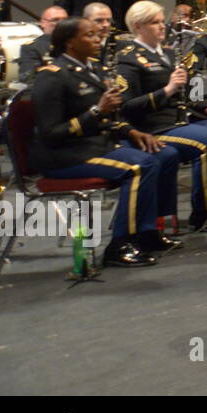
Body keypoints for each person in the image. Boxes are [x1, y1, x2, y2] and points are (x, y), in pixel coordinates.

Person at [29, 17, 170, 265]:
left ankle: (146, 233)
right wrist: (96, 111)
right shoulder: (52, 76)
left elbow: (108, 119)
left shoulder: (91, 69)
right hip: (64, 156)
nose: (98, 39)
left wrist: (131, 132)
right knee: (140, 166)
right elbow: (51, 132)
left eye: (98, 34)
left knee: (159, 156)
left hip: (94, 146)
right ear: (70, 42)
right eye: (90, 35)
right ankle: (119, 245)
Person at [116, 1, 207, 230]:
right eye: (155, 22)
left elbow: (190, 90)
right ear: (137, 26)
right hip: (154, 127)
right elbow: (127, 107)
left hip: (183, 119)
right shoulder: (128, 58)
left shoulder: (169, 53)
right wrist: (167, 90)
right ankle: (206, 211)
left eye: (162, 21)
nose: (162, 26)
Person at [17, 4, 67, 83]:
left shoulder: (76, 44)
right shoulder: (32, 48)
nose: (61, 23)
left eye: (65, 20)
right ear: (43, 23)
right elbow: (28, 79)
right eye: (55, 20)